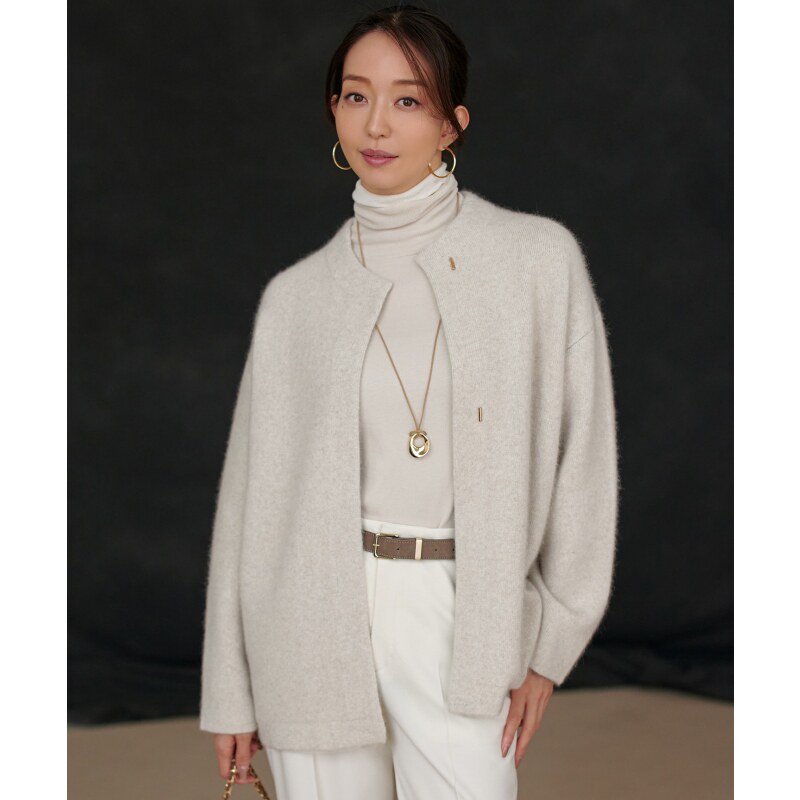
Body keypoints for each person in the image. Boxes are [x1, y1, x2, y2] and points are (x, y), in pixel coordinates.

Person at [200, 5, 619, 800]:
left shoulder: (537, 261)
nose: (377, 125)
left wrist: (549, 648)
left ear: (453, 124)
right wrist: (231, 691)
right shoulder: (296, 298)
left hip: (460, 608)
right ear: (333, 110)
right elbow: (248, 506)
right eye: (356, 96)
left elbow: (584, 463)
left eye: (408, 100)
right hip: (308, 617)